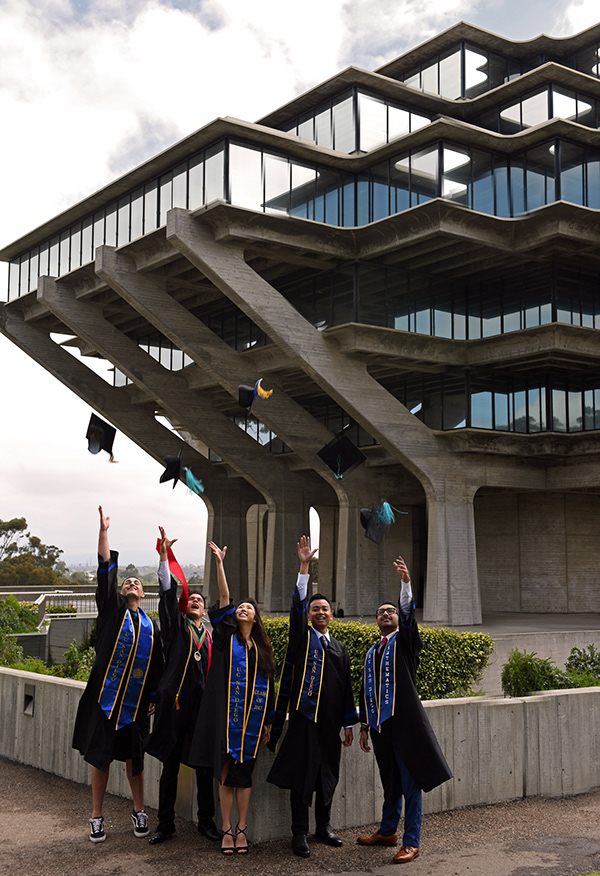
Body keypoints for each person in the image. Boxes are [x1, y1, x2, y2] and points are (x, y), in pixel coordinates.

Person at [72, 506, 163, 843]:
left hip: (136, 706)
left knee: (134, 759)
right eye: (127, 581)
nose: (131, 582)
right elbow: (104, 572)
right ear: (123, 592)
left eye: (137, 581)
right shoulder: (112, 611)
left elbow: (155, 665)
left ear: (144, 593)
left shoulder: (150, 628)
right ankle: (96, 816)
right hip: (105, 699)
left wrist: (153, 696)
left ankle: (139, 811)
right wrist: (104, 532)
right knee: (101, 757)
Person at [356, 555, 452, 863]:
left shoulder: (406, 643)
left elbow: (410, 617)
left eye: (391, 611)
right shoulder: (373, 651)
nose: (386, 613)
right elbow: (366, 690)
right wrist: (364, 726)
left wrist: (406, 584)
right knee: (390, 781)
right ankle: (387, 830)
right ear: (376, 621)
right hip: (382, 728)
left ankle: (411, 840)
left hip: (406, 725)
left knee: (410, 785)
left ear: (399, 618)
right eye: (382, 612)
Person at [267, 536, 357, 858]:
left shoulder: (339, 648)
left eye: (325, 609)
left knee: (328, 776)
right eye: (315, 609)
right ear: (309, 615)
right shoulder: (302, 641)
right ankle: (299, 833)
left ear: (332, 615)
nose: (320, 612)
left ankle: (324, 826)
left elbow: (346, 688)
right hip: (305, 721)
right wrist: (304, 567)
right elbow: (296, 609)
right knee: (302, 778)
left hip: (330, 725)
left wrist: (349, 724)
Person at [188, 542, 275, 855]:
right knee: (225, 775)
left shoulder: (262, 651)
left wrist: (267, 723)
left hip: (251, 726)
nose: (242, 609)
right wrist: (220, 564)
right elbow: (224, 598)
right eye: (241, 607)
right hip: (225, 722)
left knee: (245, 777)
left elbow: (270, 690)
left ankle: (243, 828)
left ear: (255, 617)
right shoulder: (226, 638)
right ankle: (227, 828)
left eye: (248, 608)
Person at [144, 526, 219, 845]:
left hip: (201, 712)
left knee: (203, 768)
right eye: (192, 600)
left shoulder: (212, 636)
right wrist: (163, 558)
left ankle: (206, 822)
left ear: (205, 609)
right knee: (170, 769)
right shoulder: (177, 630)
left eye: (200, 600)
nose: (196, 602)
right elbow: (166, 596)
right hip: (175, 709)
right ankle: (165, 824)